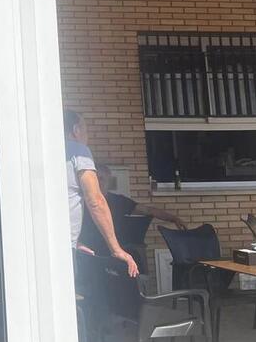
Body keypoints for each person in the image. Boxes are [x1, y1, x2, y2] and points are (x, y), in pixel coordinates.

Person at [64, 109, 139, 278]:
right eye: (86, 129)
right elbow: (96, 200)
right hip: (63, 249)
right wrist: (116, 249)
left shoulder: (46, 152)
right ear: (76, 130)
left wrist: (76, 242)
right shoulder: (79, 151)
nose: (87, 135)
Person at [77, 163, 186, 255]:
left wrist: (173, 218)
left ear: (109, 180)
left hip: (113, 251)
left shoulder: (118, 201)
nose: (99, 182)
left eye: (102, 179)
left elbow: (148, 210)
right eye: (96, 178)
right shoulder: (79, 201)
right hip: (87, 251)